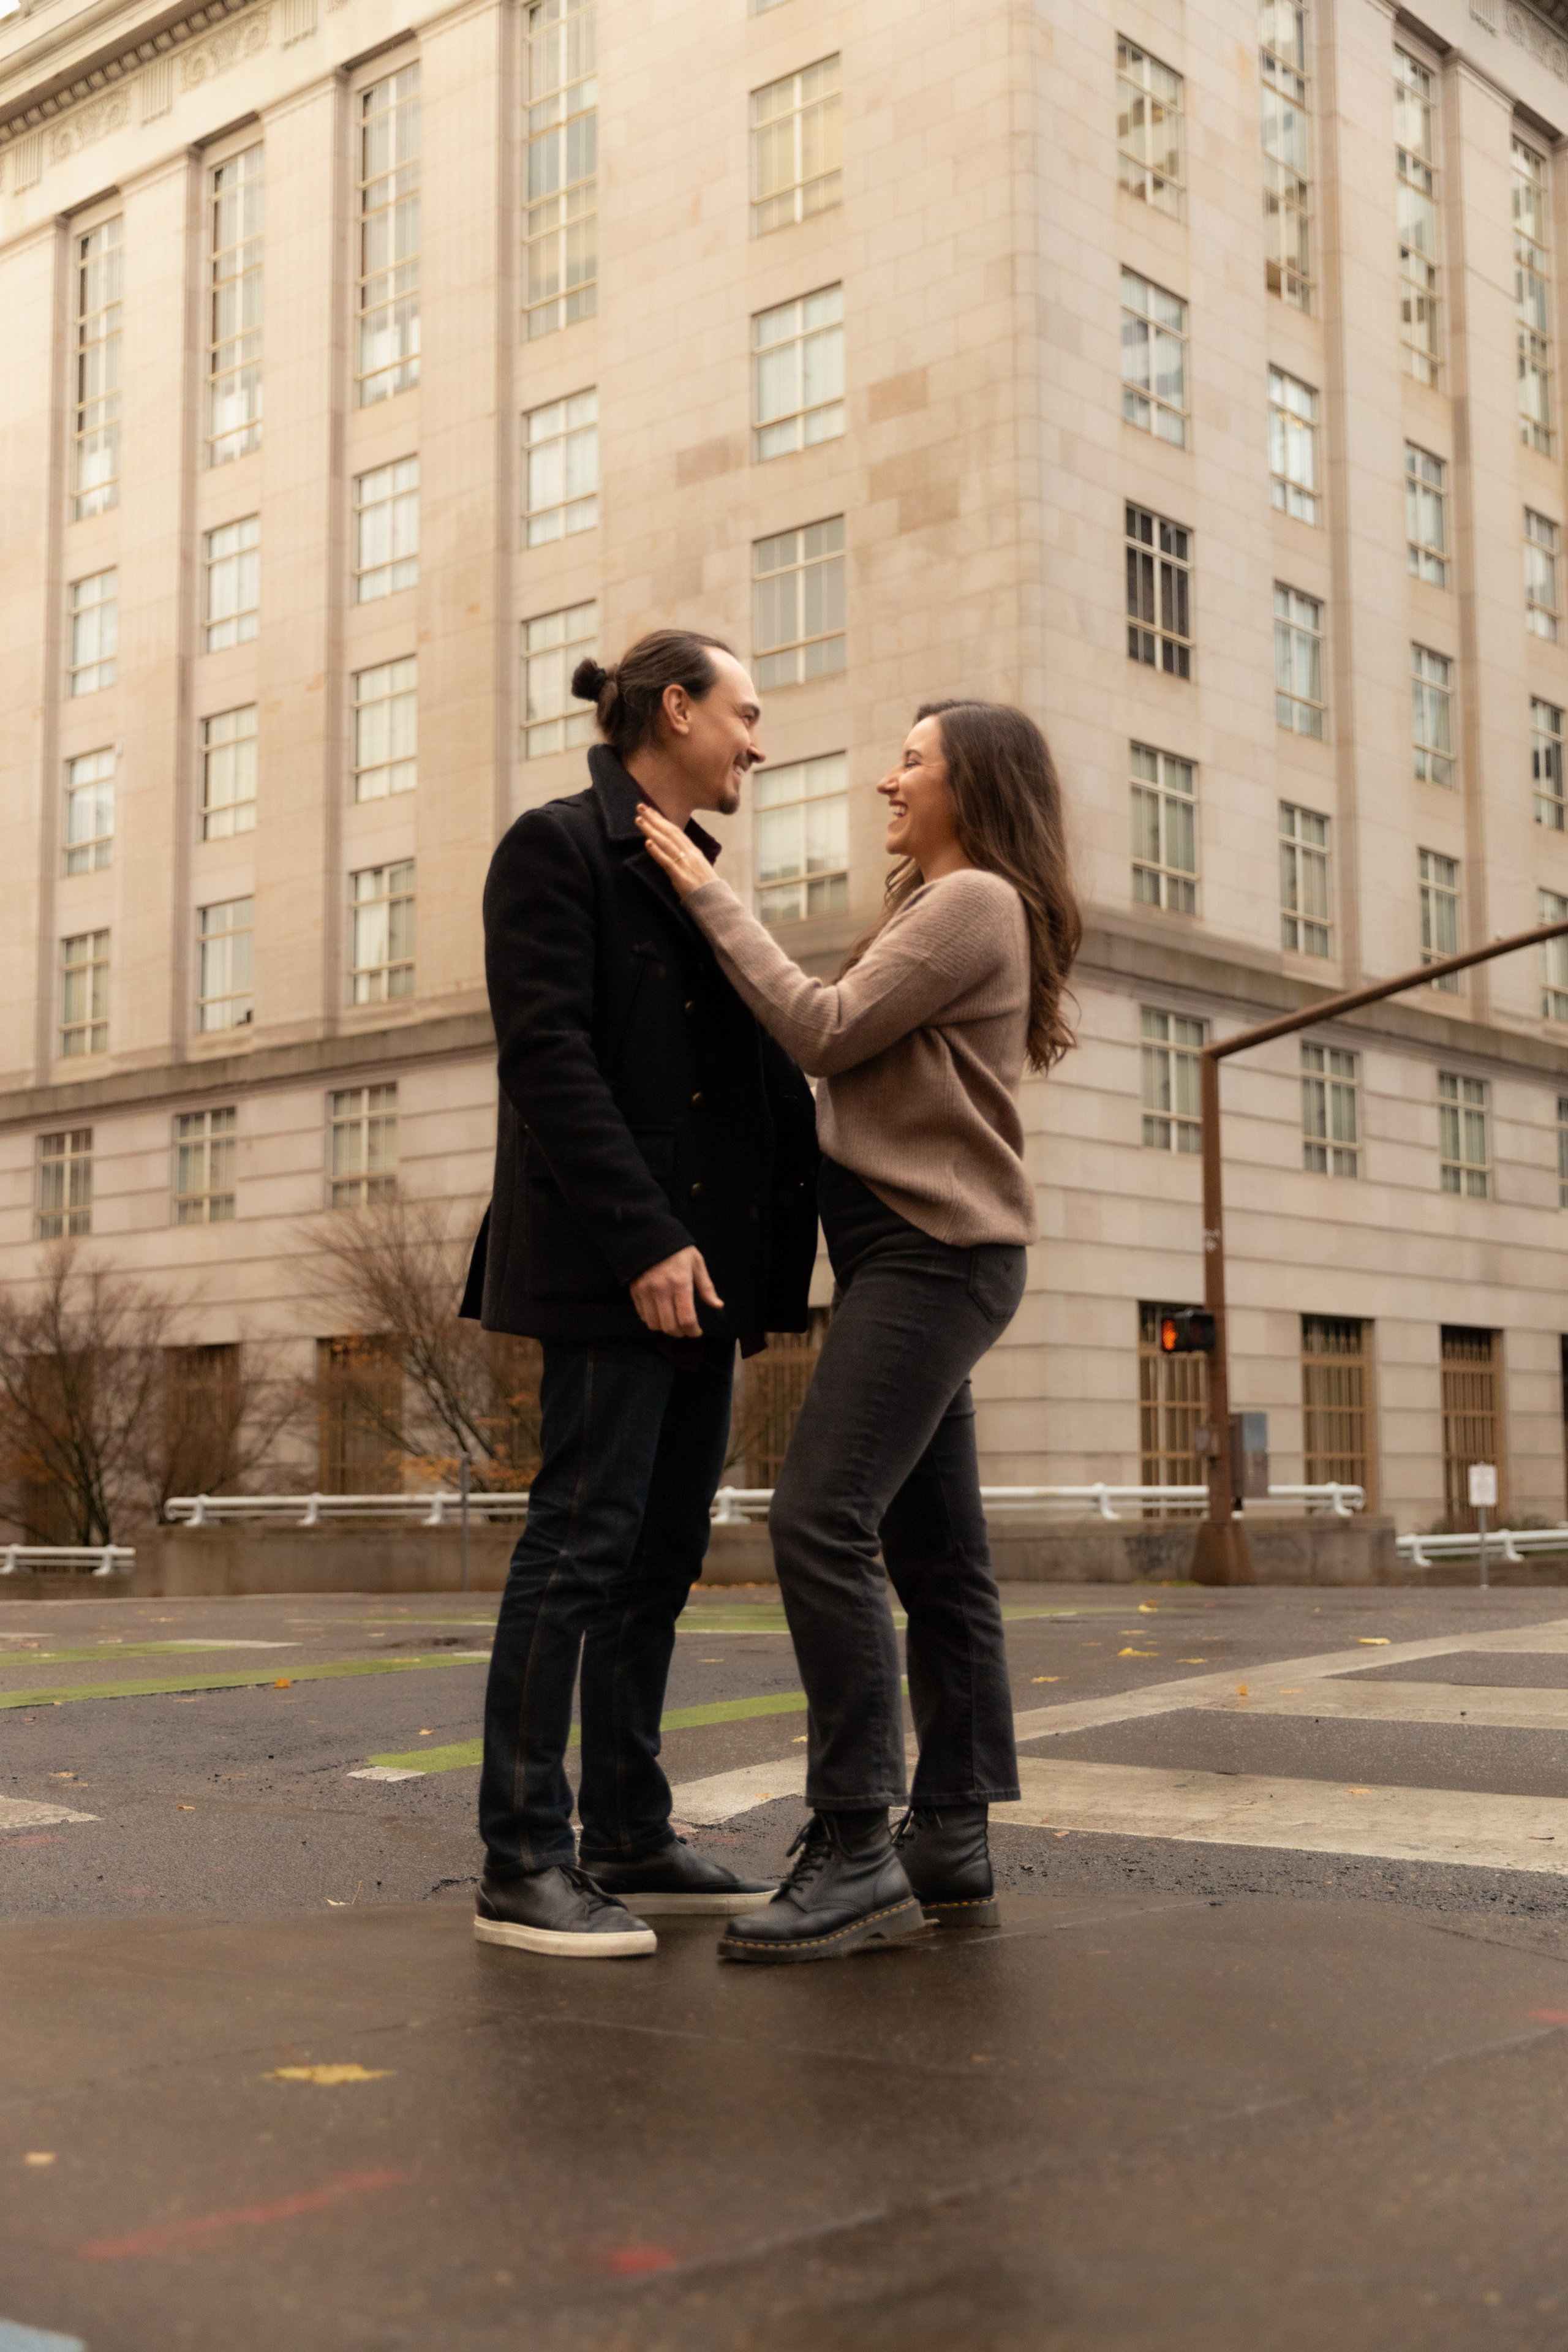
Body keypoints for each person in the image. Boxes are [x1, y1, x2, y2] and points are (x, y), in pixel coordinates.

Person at [635, 697, 1080, 1964]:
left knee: (815, 1517)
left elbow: (822, 1029)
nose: (890, 780)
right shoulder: (947, 907)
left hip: (931, 1255)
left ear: (971, 785)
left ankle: (854, 1846)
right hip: (917, 1249)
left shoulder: (971, 902)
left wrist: (705, 894)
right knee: (935, 1554)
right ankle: (947, 1830)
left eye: (912, 761)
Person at [461, 629, 820, 1959]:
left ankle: (624, 1827)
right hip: (622, 1271)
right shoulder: (554, 849)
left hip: (698, 1278)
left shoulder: (687, 868)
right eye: (744, 713)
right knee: (578, 1546)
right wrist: (644, 1240)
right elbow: (548, 1063)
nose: (757, 741)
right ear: (673, 711)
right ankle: (521, 1857)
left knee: (658, 1558)